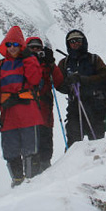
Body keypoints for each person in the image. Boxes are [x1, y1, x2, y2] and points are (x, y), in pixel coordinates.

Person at [0, 26, 44, 187]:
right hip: (8, 114)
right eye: (9, 45)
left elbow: (34, 80)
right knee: (11, 152)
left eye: (16, 44)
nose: (12, 48)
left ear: (21, 45)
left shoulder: (28, 61)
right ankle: (18, 181)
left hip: (28, 113)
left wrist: (29, 58)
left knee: (30, 150)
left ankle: (32, 182)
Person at [57, 29, 106, 147]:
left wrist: (84, 80)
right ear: (68, 44)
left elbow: (105, 77)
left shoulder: (94, 59)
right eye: (72, 41)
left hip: (95, 105)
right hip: (74, 107)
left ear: (84, 41)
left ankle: (99, 163)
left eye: (78, 41)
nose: (76, 43)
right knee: (74, 141)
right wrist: (68, 83)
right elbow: (59, 85)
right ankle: (74, 164)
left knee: (97, 142)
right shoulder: (64, 63)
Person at [26, 36, 64, 170]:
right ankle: (31, 176)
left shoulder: (47, 64)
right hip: (28, 114)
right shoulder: (22, 64)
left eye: (38, 48)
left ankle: (45, 173)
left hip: (45, 112)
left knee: (46, 146)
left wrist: (51, 63)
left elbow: (59, 81)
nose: (35, 51)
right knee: (30, 148)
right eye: (32, 48)